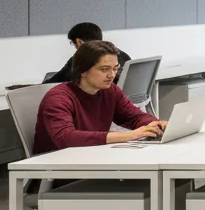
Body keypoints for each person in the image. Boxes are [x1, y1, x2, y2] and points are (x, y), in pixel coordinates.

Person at [35, 40, 166, 153]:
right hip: (56, 170)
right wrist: (130, 135)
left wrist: (156, 125)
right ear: (83, 71)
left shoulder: (110, 91)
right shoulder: (58, 98)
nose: (112, 75)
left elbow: (134, 117)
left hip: (92, 158)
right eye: (104, 69)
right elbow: (66, 138)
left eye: (115, 68)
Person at [44, 23, 131, 84]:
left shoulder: (81, 58)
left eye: (73, 44)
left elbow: (56, 81)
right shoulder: (123, 55)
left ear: (79, 42)